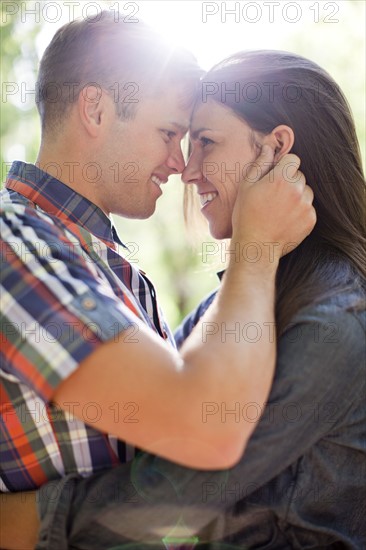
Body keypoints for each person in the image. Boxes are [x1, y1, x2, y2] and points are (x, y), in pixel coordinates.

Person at [21, 50, 364, 549]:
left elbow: (167, 499)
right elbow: (165, 411)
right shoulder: (237, 301)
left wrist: (21, 519)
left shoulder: (330, 322)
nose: (188, 169)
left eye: (206, 142)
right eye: (180, 140)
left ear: (277, 147)